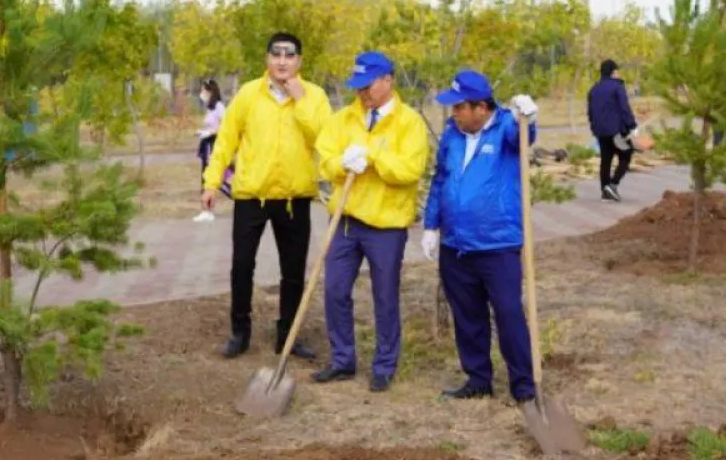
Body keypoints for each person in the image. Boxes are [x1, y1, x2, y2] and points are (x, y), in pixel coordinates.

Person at [201, 32, 332, 359]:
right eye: (277, 54)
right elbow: (226, 140)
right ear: (267, 59)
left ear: (299, 61)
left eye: (290, 55)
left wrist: (300, 101)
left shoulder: (314, 96)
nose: (283, 61)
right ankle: (239, 331)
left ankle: (287, 334)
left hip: (294, 197)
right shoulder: (248, 94)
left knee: (293, 270)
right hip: (251, 196)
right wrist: (211, 181)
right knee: (242, 265)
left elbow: (325, 140)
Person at [307, 52, 428, 393]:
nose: (361, 94)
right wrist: (341, 163)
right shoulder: (343, 118)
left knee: (385, 296)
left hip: (386, 225)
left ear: (387, 80)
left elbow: (410, 170)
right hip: (345, 220)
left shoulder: (410, 122)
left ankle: (384, 365)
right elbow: (324, 159)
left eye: (367, 86)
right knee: (334, 290)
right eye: (357, 87)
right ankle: (342, 360)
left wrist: (374, 157)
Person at [423, 71, 540, 402]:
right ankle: (478, 379)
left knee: (508, 313)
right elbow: (440, 180)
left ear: (480, 107)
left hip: (497, 243)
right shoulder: (451, 136)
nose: (454, 113)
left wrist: (528, 118)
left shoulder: (506, 128)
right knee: (467, 315)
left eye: (459, 107)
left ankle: (524, 386)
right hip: (455, 245)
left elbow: (524, 137)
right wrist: (431, 226)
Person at [587, 59, 639, 201]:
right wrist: (632, 126)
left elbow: (590, 112)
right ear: (613, 72)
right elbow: (624, 108)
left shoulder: (594, 89)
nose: (618, 73)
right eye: (616, 71)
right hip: (616, 132)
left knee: (606, 160)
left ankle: (605, 192)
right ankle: (613, 184)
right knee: (626, 154)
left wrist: (594, 128)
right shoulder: (617, 87)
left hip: (600, 132)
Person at [193, 79, 227, 223]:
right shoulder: (210, 108)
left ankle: (208, 210)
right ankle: (206, 209)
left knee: (211, 177)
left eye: (204, 91)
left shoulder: (219, 107)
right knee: (205, 176)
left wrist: (211, 133)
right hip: (206, 143)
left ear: (211, 92)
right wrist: (203, 131)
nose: (202, 94)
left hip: (213, 145)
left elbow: (226, 125)